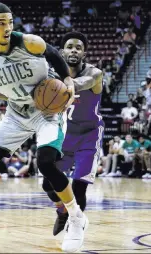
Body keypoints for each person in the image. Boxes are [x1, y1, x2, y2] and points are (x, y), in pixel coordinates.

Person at [0, 3, 79, 252]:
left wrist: (67, 81)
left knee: (44, 163)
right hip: (16, 113)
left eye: (10, 22)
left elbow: (54, 54)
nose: (8, 27)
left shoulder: (29, 42)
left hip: (46, 111)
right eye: (1, 23)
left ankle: (76, 217)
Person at [41, 32, 104, 238]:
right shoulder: (52, 75)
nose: (74, 50)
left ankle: (75, 231)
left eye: (78, 47)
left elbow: (82, 83)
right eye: (69, 47)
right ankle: (62, 210)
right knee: (47, 183)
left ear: (84, 52)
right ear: (62, 52)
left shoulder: (95, 73)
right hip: (66, 133)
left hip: (90, 135)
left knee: (79, 186)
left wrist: (56, 85)